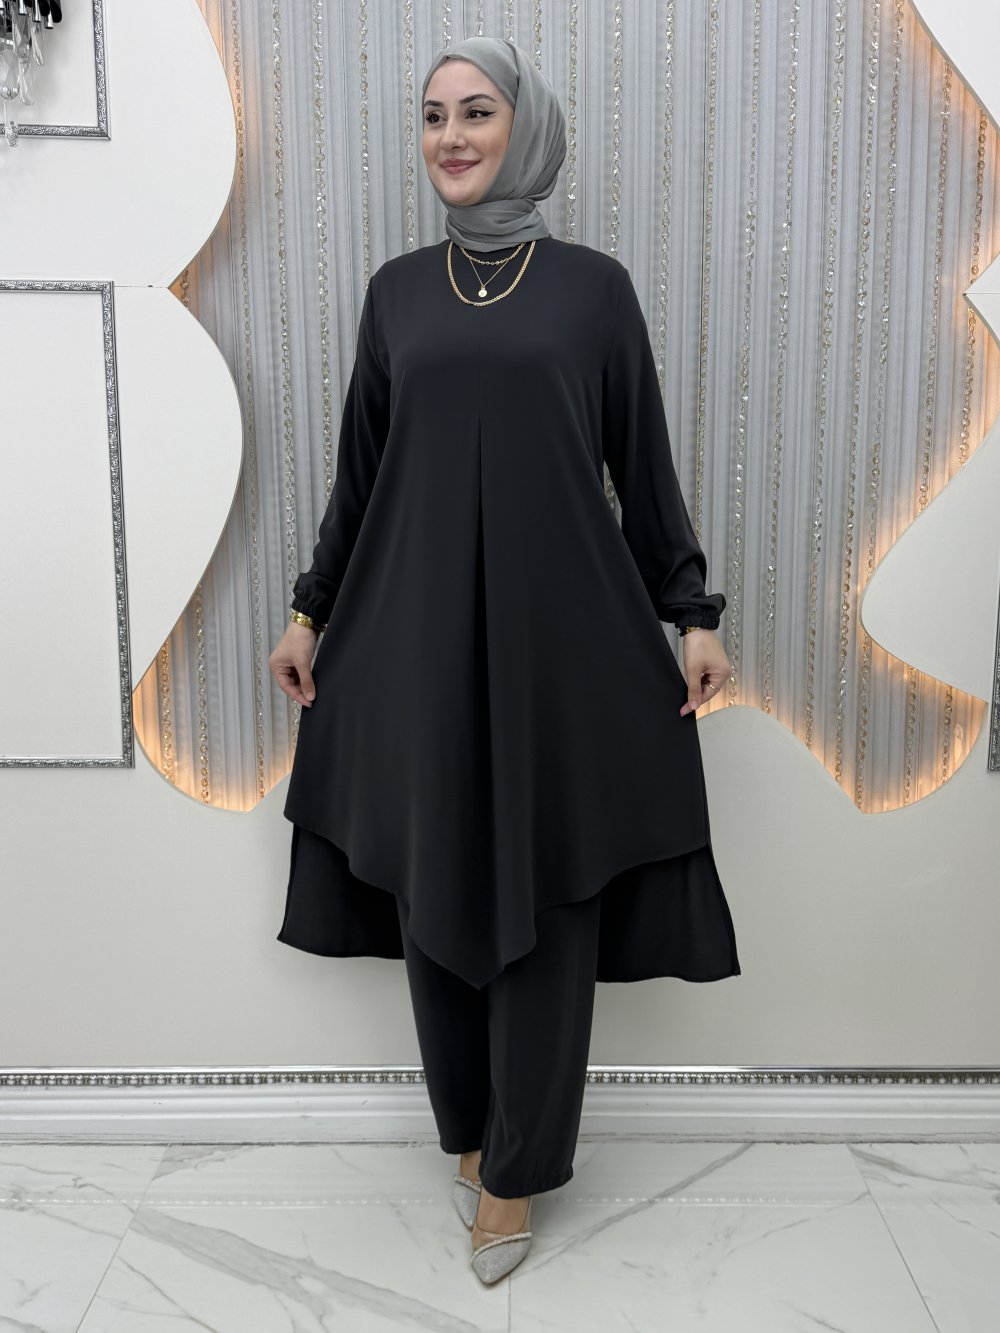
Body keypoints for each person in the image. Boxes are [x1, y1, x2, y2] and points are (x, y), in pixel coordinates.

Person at [268, 35, 740, 1284]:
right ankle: (471, 1137)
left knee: (545, 896)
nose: (452, 137)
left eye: (477, 112)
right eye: (432, 116)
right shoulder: (396, 295)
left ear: (524, 128)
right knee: (434, 878)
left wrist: (690, 613)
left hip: (563, 644)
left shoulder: (593, 291)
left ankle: (520, 1169)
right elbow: (360, 476)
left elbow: (640, 465)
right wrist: (310, 612)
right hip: (411, 636)